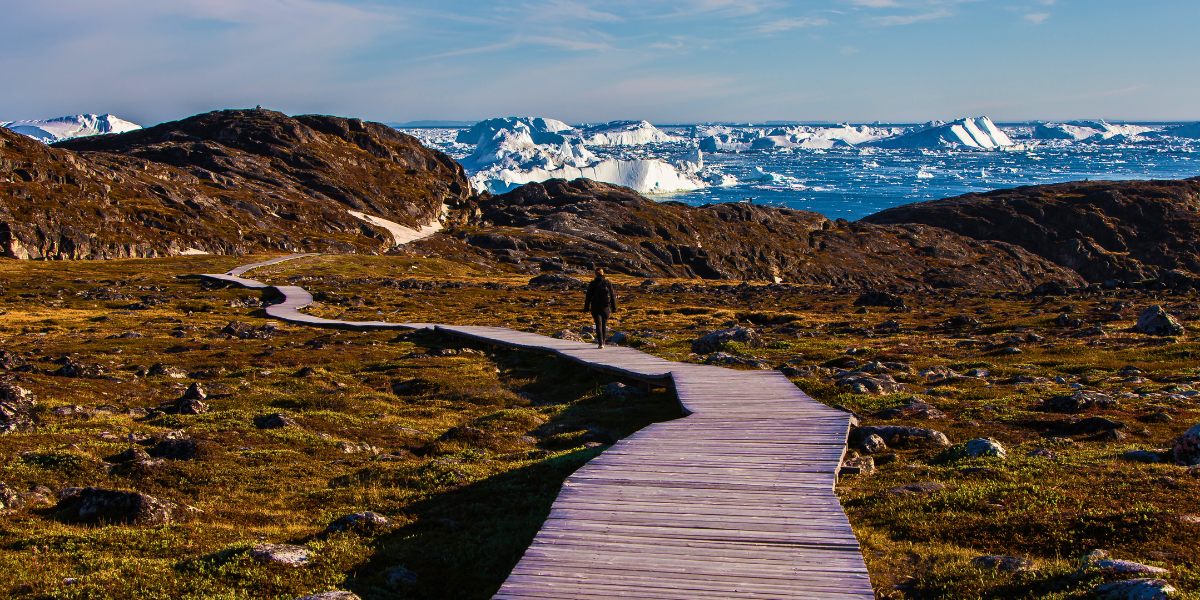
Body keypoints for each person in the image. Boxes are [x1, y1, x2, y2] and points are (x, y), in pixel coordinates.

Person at [582, 268, 617, 348]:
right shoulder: (608, 283)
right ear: (603, 273)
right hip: (606, 307)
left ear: (595, 274)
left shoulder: (593, 283)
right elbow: (612, 296)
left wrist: (586, 308)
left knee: (598, 324)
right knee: (604, 324)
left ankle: (600, 343)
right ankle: (603, 343)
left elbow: (588, 297)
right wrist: (614, 308)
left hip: (596, 307)